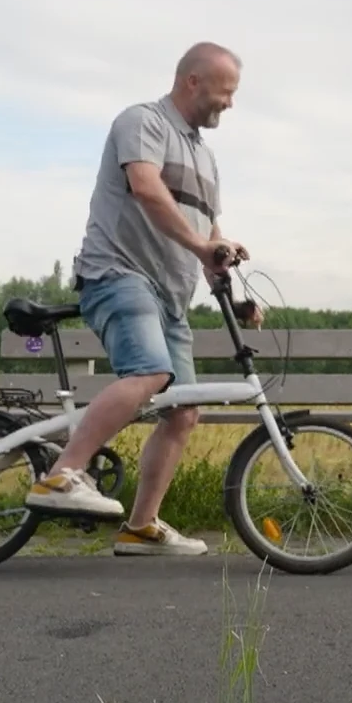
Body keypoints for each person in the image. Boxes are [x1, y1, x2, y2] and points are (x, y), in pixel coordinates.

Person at [24, 41, 262, 557]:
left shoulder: (204, 156)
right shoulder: (143, 123)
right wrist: (202, 244)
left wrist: (225, 278)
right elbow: (147, 189)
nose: (230, 104)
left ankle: (140, 527)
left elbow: (206, 230)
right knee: (151, 372)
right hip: (118, 273)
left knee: (183, 412)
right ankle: (63, 473)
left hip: (169, 298)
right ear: (192, 81)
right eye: (225, 92)